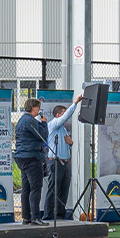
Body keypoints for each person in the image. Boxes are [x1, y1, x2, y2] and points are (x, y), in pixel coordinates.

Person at [43, 93, 84, 221]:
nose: (66, 117)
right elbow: (66, 116)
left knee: (64, 190)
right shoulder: (53, 124)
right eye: (64, 113)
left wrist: (70, 143)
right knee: (53, 189)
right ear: (58, 115)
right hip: (55, 161)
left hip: (65, 162)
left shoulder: (64, 130)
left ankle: (60, 215)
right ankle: (48, 215)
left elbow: (66, 143)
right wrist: (76, 103)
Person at [13, 98, 49, 226]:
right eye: (38, 108)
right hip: (31, 156)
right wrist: (44, 123)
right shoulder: (30, 121)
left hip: (21, 156)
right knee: (36, 187)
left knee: (26, 187)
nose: (39, 110)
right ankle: (35, 217)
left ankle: (26, 217)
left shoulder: (21, 120)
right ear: (33, 108)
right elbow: (43, 136)